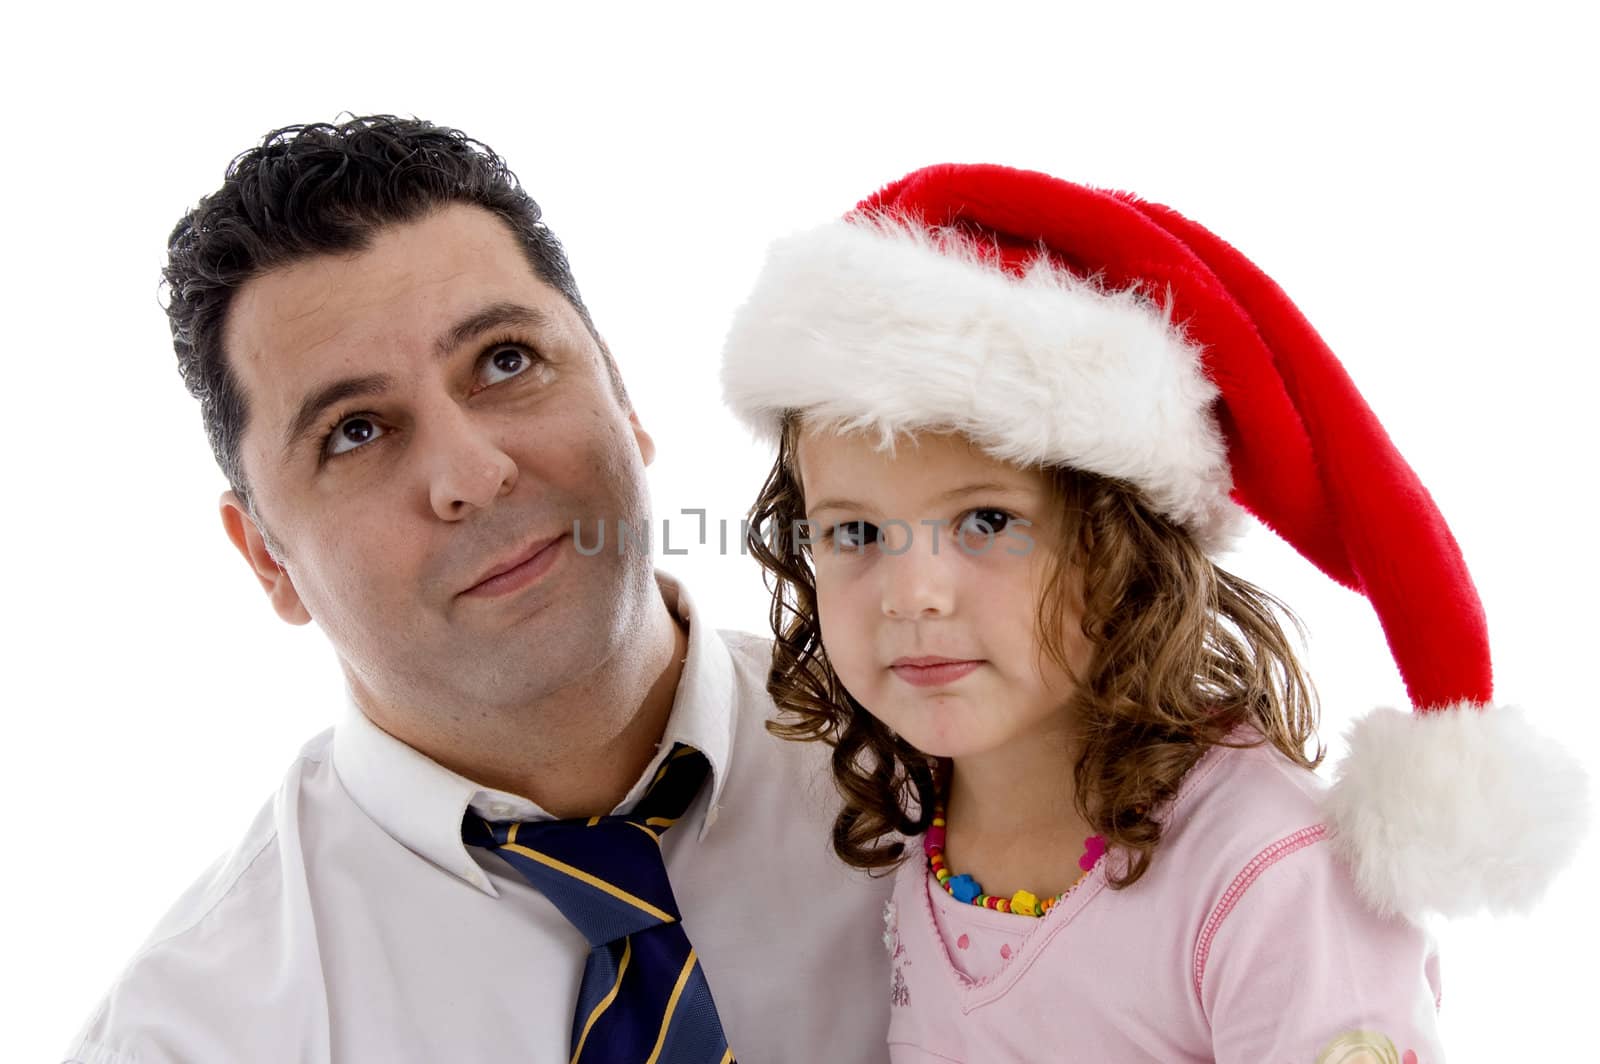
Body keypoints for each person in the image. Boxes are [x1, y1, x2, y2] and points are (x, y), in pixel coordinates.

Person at [65, 115, 893, 1064]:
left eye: (505, 361)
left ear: (623, 395)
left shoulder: (956, 771)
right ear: (266, 557)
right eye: (355, 431)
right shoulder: (192, 1036)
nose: (471, 471)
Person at [718, 163, 1590, 1061]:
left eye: (987, 521)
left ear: (1122, 545)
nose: (910, 592)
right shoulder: (904, 804)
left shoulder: (1265, 878)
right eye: (855, 530)